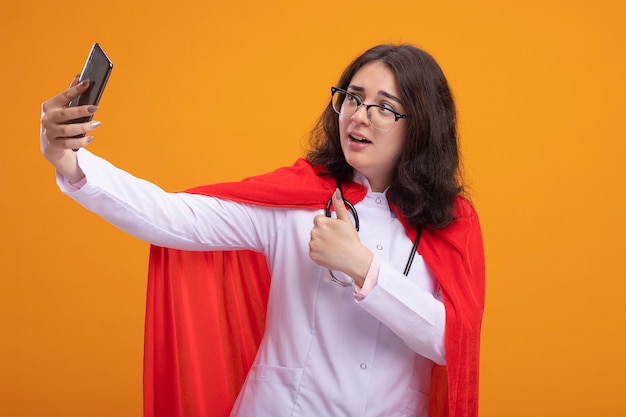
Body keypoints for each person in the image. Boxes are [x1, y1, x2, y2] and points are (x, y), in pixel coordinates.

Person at [40, 44, 485, 417]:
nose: (360, 115)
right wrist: (70, 161)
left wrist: (362, 266)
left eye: (384, 107)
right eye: (352, 97)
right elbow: (170, 216)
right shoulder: (297, 199)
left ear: (422, 124)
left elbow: (451, 343)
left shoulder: (450, 223)